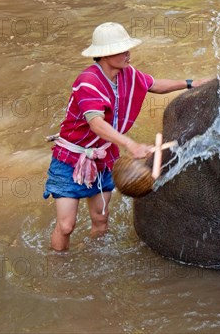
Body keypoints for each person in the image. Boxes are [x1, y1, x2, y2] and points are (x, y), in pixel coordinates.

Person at [43, 22, 210, 251]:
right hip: (70, 161)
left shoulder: (127, 74)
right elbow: (96, 124)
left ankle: (94, 256)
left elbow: (154, 84)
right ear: (104, 55)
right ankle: (57, 267)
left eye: (127, 49)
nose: (128, 54)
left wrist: (190, 83)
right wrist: (130, 144)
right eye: (121, 50)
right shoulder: (88, 82)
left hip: (103, 159)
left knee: (101, 221)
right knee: (66, 225)